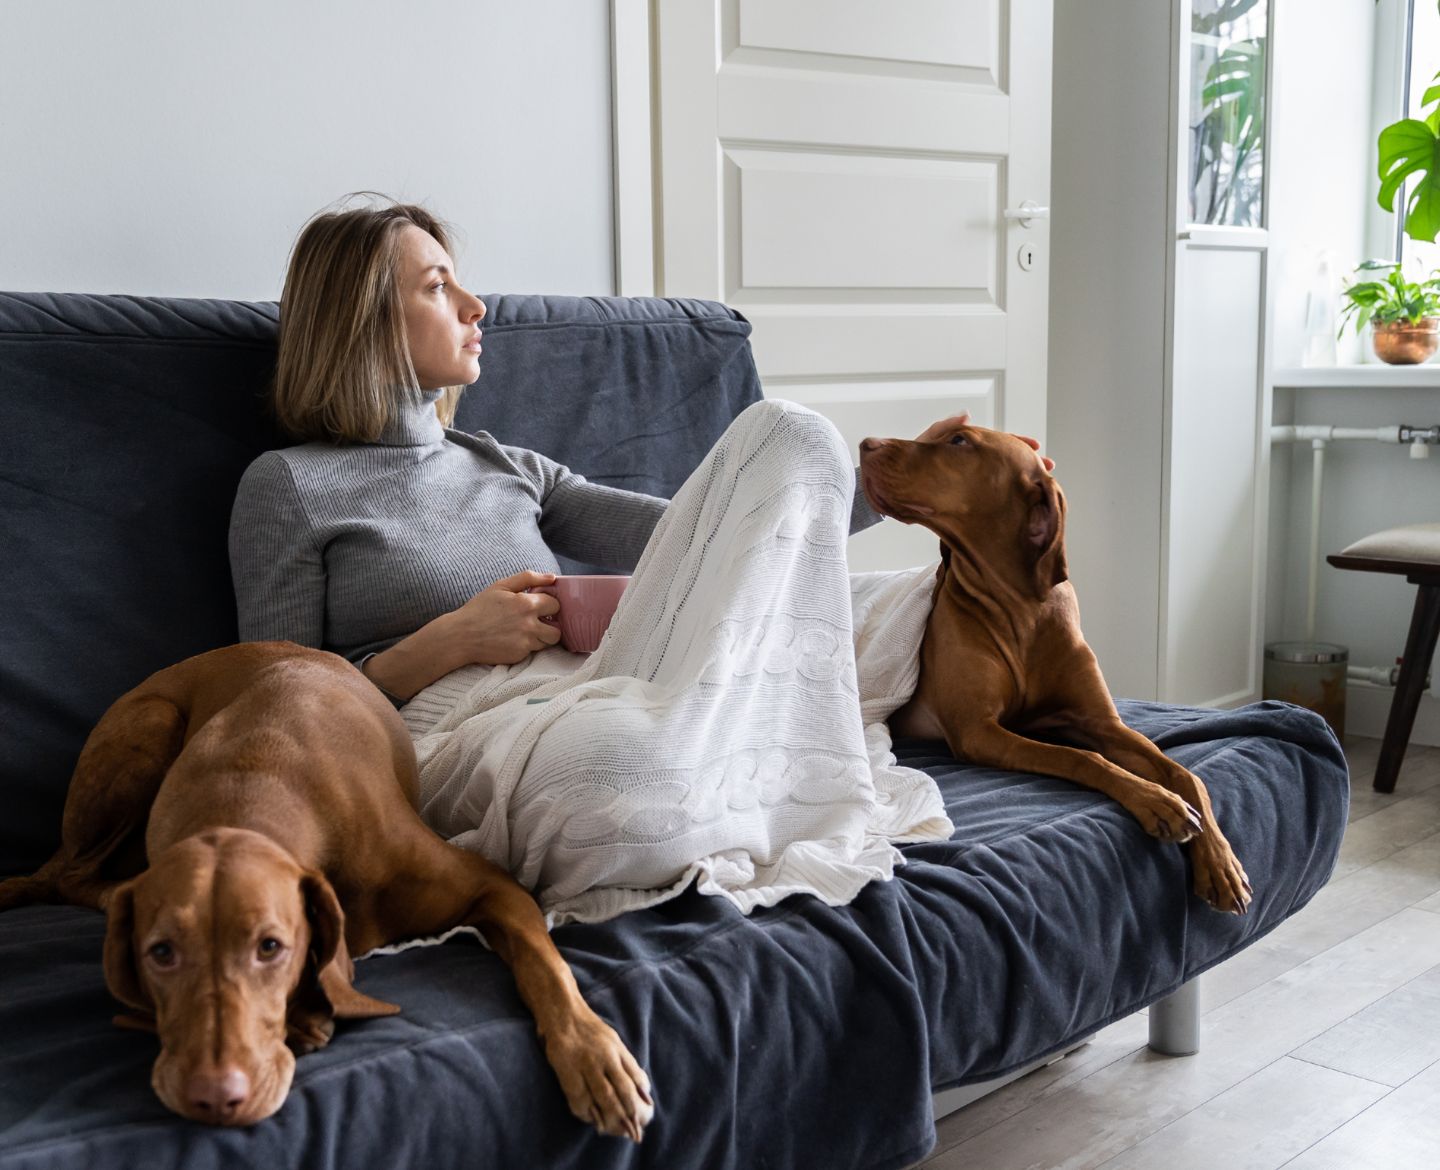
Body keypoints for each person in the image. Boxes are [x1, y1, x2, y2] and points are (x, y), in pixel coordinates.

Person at [230, 197, 1048, 924]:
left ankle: (723, 764)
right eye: (439, 287)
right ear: (362, 317)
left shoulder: (504, 464)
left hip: (599, 679)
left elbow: (711, 535)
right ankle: (736, 768)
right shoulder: (290, 486)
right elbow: (274, 709)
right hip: (447, 735)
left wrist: (889, 486)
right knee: (618, 766)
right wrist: (446, 643)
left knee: (793, 434)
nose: (476, 307)